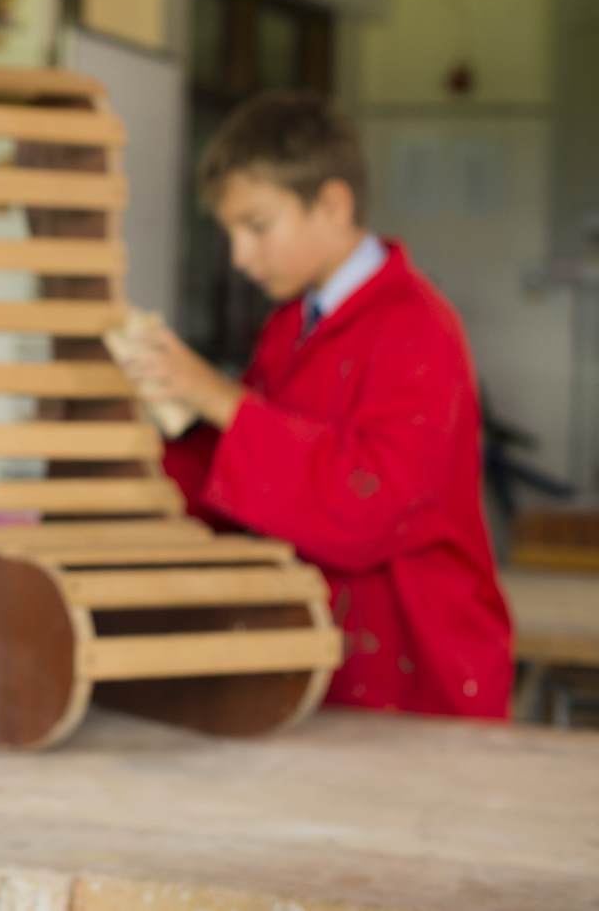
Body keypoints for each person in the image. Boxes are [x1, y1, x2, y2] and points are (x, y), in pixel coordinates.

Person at [118, 92, 510, 719]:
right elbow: (240, 480)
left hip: (418, 683)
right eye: (229, 233)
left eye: (257, 227)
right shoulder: (290, 328)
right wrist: (141, 436)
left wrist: (219, 397)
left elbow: (367, 506)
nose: (241, 257)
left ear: (332, 204)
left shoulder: (416, 329)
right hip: (323, 667)